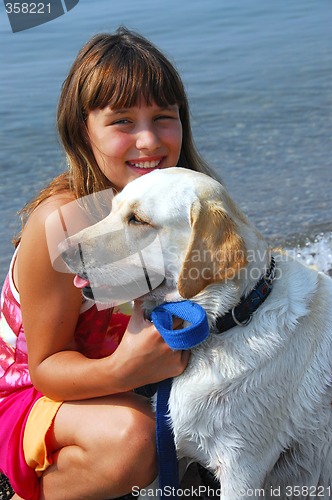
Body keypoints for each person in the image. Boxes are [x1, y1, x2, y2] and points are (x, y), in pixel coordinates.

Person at [0, 27, 220, 500]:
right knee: (133, 442)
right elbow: (45, 368)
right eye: (122, 121)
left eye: (164, 117)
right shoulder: (69, 221)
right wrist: (125, 370)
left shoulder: (185, 202)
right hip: (39, 395)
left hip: (138, 379)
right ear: (83, 129)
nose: (148, 141)